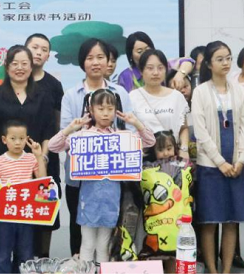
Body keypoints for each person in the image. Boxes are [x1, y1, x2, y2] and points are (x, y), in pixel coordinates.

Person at [49, 90, 155, 262]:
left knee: (104, 244)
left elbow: (150, 141)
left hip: (111, 200)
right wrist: (71, 128)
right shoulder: (83, 136)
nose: (105, 113)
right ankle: (86, 270)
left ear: (116, 110)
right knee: (87, 243)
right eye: (100, 108)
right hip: (89, 199)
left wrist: (135, 122)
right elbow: (53, 146)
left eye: (110, 108)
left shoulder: (121, 136)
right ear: (91, 110)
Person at [57, 38, 131, 256]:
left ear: (109, 61)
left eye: (100, 57)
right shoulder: (71, 95)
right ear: (82, 62)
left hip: (114, 177)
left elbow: (130, 131)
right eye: (90, 58)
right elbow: (65, 135)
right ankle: (82, 267)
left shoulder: (120, 93)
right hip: (80, 177)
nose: (96, 62)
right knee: (79, 228)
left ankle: (104, 267)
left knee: (109, 231)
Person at [189, 41, 244, 274]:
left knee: (231, 220)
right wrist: (220, 162)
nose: (226, 63)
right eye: (220, 59)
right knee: (209, 221)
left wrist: (241, 159)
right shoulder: (200, 91)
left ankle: (226, 271)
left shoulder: (240, 91)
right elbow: (200, 132)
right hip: (210, 164)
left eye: (228, 58)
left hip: (236, 164)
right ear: (208, 64)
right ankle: (212, 271)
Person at [0, 120, 47, 273]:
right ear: (4, 139)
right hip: (4, 214)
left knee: (25, 253)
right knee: (3, 253)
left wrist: (39, 156)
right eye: (13, 138)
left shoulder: (31, 158)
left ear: (27, 139)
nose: (18, 142)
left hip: (25, 213)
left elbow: (42, 181)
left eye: (21, 138)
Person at [25, 33, 64, 258]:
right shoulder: (15, 80)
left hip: (47, 155)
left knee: (45, 206)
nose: (38, 52)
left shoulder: (54, 85)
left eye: (44, 49)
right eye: (34, 47)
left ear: (48, 56)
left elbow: (56, 124)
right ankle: (22, 260)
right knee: (22, 206)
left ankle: (43, 260)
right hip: (17, 156)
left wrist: (45, 155)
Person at [140, 131, 194, 271]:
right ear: (153, 151)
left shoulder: (183, 165)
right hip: (157, 223)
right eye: (160, 149)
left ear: (175, 148)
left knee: (174, 254)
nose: (165, 153)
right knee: (155, 254)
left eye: (169, 148)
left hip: (177, 222)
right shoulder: (148, 167)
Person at [129, 49, 190, 160]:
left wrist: (184, 149)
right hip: (144, 159)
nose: (156, 73)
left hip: (172, 157)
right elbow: (129, 130)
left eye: (160, 68)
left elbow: (184, 128)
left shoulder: (176, 97)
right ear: (141, 71)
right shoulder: (132, 97)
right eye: (150, 68)